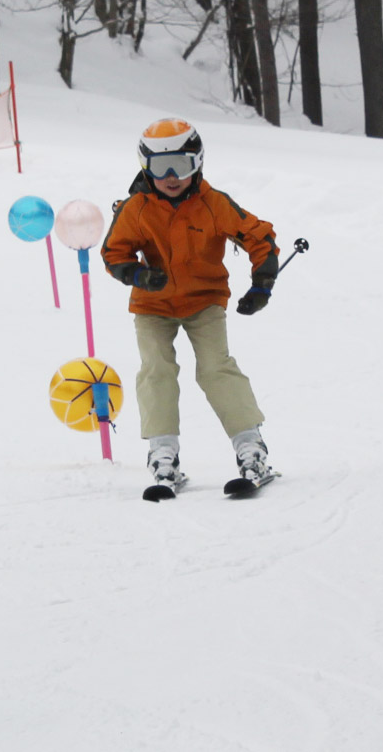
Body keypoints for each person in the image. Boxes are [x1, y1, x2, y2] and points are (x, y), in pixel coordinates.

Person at [100, 118, 279, 491]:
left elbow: (258, 236)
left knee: (216, 367)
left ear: (197, 162)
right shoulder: (136, 208)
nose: (170, 177)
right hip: (153, 305)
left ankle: (251, 448)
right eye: (159, 167)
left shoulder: (214, 204)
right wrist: (138, 275)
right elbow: (114, 252)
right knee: (156, 369)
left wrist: (261, 283)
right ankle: (162, 454)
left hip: (203, 300)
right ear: (144, 166)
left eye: (180, 165)